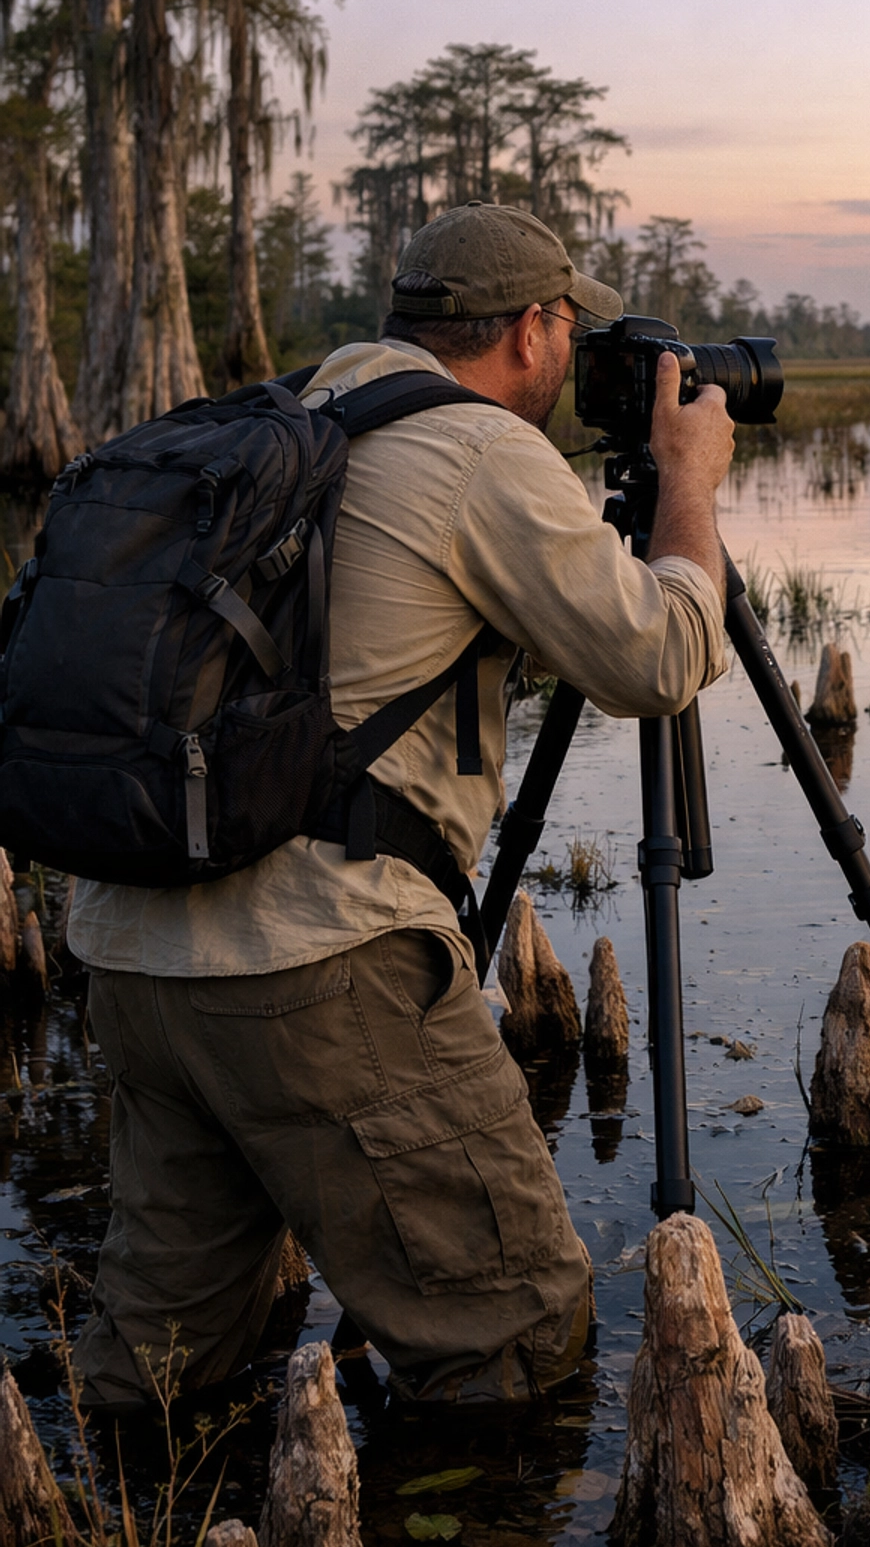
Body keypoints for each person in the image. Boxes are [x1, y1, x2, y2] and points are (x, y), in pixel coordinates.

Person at [67, 204, 735, 1409]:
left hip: (134, 953)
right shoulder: (478, 450)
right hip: (313, 965)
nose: (575, 357)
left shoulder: (291, 416)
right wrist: (688, 485)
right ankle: (468, 1536)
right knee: (517, 1340)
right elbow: (662, 656)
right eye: (570, 332)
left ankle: (128, 1519)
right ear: (529, 331)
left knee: (157, 1372)